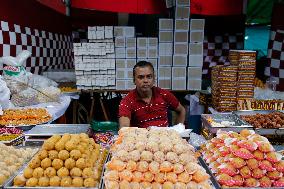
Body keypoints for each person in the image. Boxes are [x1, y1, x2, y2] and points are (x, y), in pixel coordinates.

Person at [119, 61, 186, 128]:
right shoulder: (127, 101)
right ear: (134, 80)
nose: (145, 81)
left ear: (154, 79)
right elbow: (124, 127)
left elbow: (181, 110)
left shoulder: (164, 94)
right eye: (141, 77)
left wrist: (178, 131)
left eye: (149, 77)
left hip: (164, 136)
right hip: (141, 137)